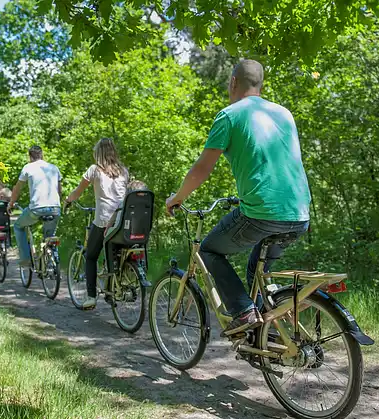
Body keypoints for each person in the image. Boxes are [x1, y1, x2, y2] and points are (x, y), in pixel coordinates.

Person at [165, 59, 311, 337]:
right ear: (261, 85)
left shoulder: (229, 115)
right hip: (300, 213)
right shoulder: (284, 114)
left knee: (208, 251)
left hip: (261, 214)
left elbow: (202, 169)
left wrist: (177, 198)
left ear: (233, 82)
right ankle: (264, 339)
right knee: (256, 272)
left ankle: (243, 311)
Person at [66, 138, 129, 310]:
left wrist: (68, 200)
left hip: (104, 220)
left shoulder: (95, 170)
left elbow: (78, 192)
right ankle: (114, 284)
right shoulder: (123, 170)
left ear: (98, 154)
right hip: (122, 220)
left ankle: (91, 297)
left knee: (91, 256)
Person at [7, 146, 62, 267]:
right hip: (55, 208)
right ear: (42, 155)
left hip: (37, 209)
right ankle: (53, 263)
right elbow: (59, 191)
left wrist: (11, 203)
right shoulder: (54, 167)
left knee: (18, 226)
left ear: (30, 157)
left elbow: (17, 188)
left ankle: (25, 258)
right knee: (50, 236)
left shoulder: (28, 167)